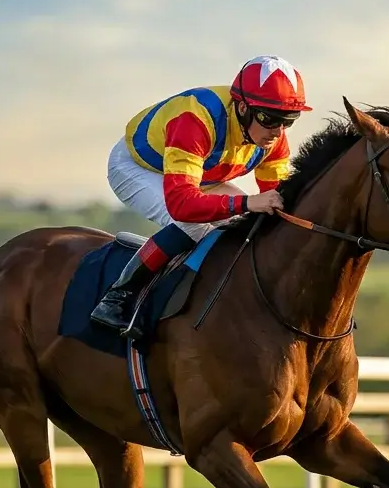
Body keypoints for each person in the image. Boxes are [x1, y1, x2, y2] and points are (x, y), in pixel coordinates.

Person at [90, 55, 312, 338]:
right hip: (139, 167)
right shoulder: (195, 119)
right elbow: (182, 205)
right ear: (243, 107)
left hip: (200, 175)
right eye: (270, 119)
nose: (278, 132)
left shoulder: (274, 138)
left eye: (288, 121)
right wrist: (245, 202)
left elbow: (276, 199)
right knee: (194, 224)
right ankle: (117, 298)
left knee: (250, 222)